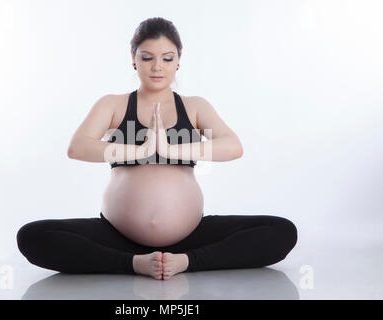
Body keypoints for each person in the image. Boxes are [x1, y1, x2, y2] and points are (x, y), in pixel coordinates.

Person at [16, 17, 297, 280]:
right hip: (117, 236)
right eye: (147, 58)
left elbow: (233, 147)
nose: (157, 67)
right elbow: (77, 148)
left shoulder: (194, 106)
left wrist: (171, 150)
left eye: (167, 58)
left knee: (281, 232)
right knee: (32, 236)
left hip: (189, 236)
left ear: (178, 60)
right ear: (133, 59)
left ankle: (187, 261)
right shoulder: (112, 105)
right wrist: (141, 151)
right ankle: (133, 262)